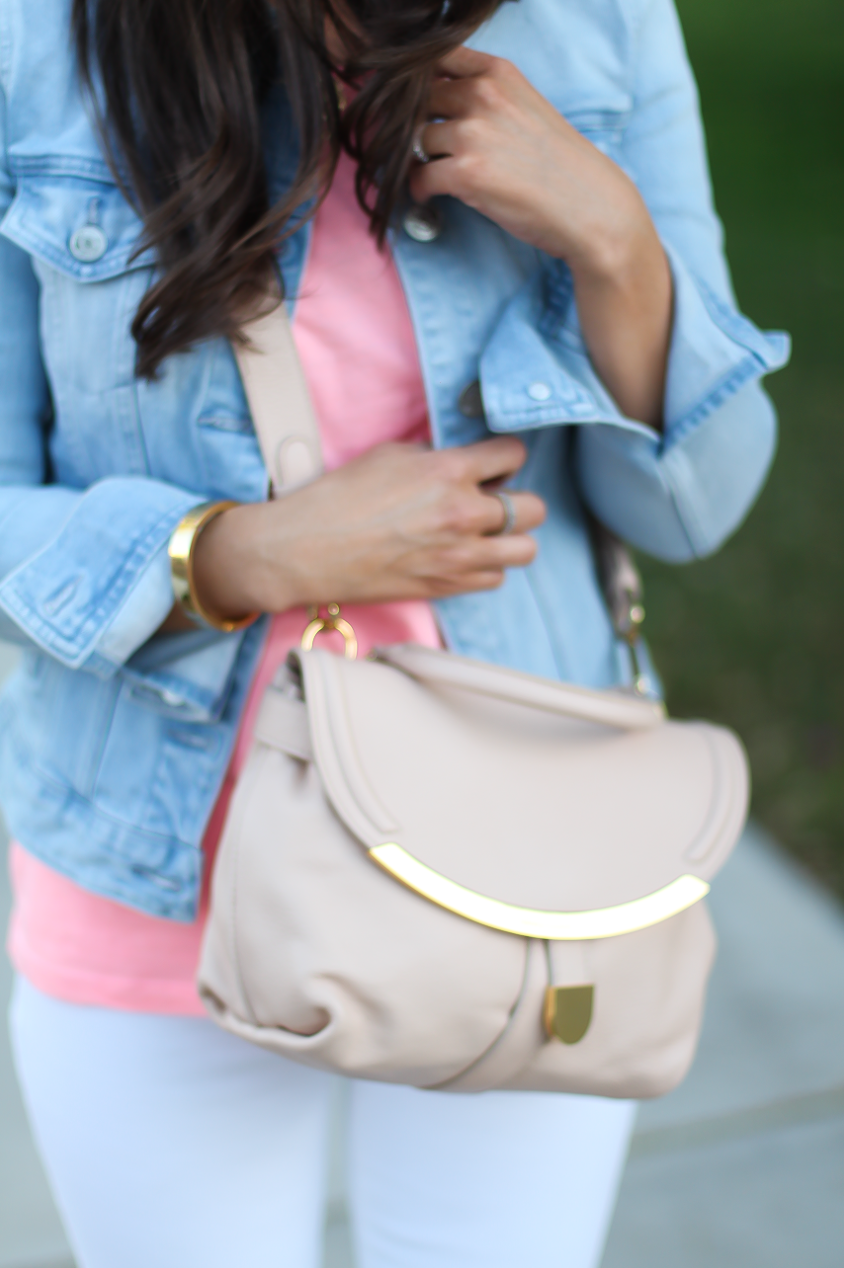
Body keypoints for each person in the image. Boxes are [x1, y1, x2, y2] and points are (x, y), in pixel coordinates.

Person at [0, 0, 788, 1265]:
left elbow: (696, 502)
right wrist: (247, 550)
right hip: (157, 881)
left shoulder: (601, 24)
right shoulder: (38, 38)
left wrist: (612, 239)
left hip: (526, 869)